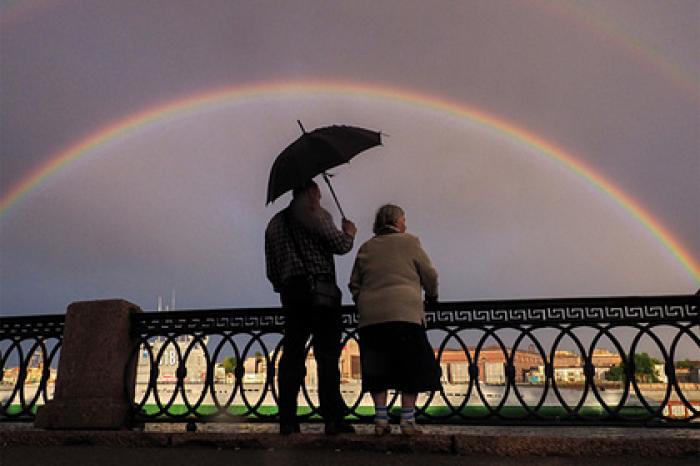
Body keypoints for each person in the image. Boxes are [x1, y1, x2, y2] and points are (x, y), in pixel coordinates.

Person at [265, 179, 358, 436]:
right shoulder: (315, 215)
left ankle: (287, 420)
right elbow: (340, 246)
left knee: (292, 355)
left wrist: (287, 286)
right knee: (327, 356)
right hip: (322, 295)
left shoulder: (274, 224)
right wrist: (349, 232)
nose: (320, 198)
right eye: (318, 194)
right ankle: (332, 419)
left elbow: (271, 271)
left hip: (291, 295)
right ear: (309, 193)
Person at [349, 204, 441, 436]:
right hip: (405, 316)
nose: (405, 224)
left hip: (372, 319)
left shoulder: (366, 247)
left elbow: (354, 283)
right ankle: (407, 421)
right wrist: (432, 295)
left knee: (378, 368)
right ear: (396, 222)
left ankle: (381, 420)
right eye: (403, 219)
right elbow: (429, 274)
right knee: (410, 367)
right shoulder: (410, 242)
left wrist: (364, 301)